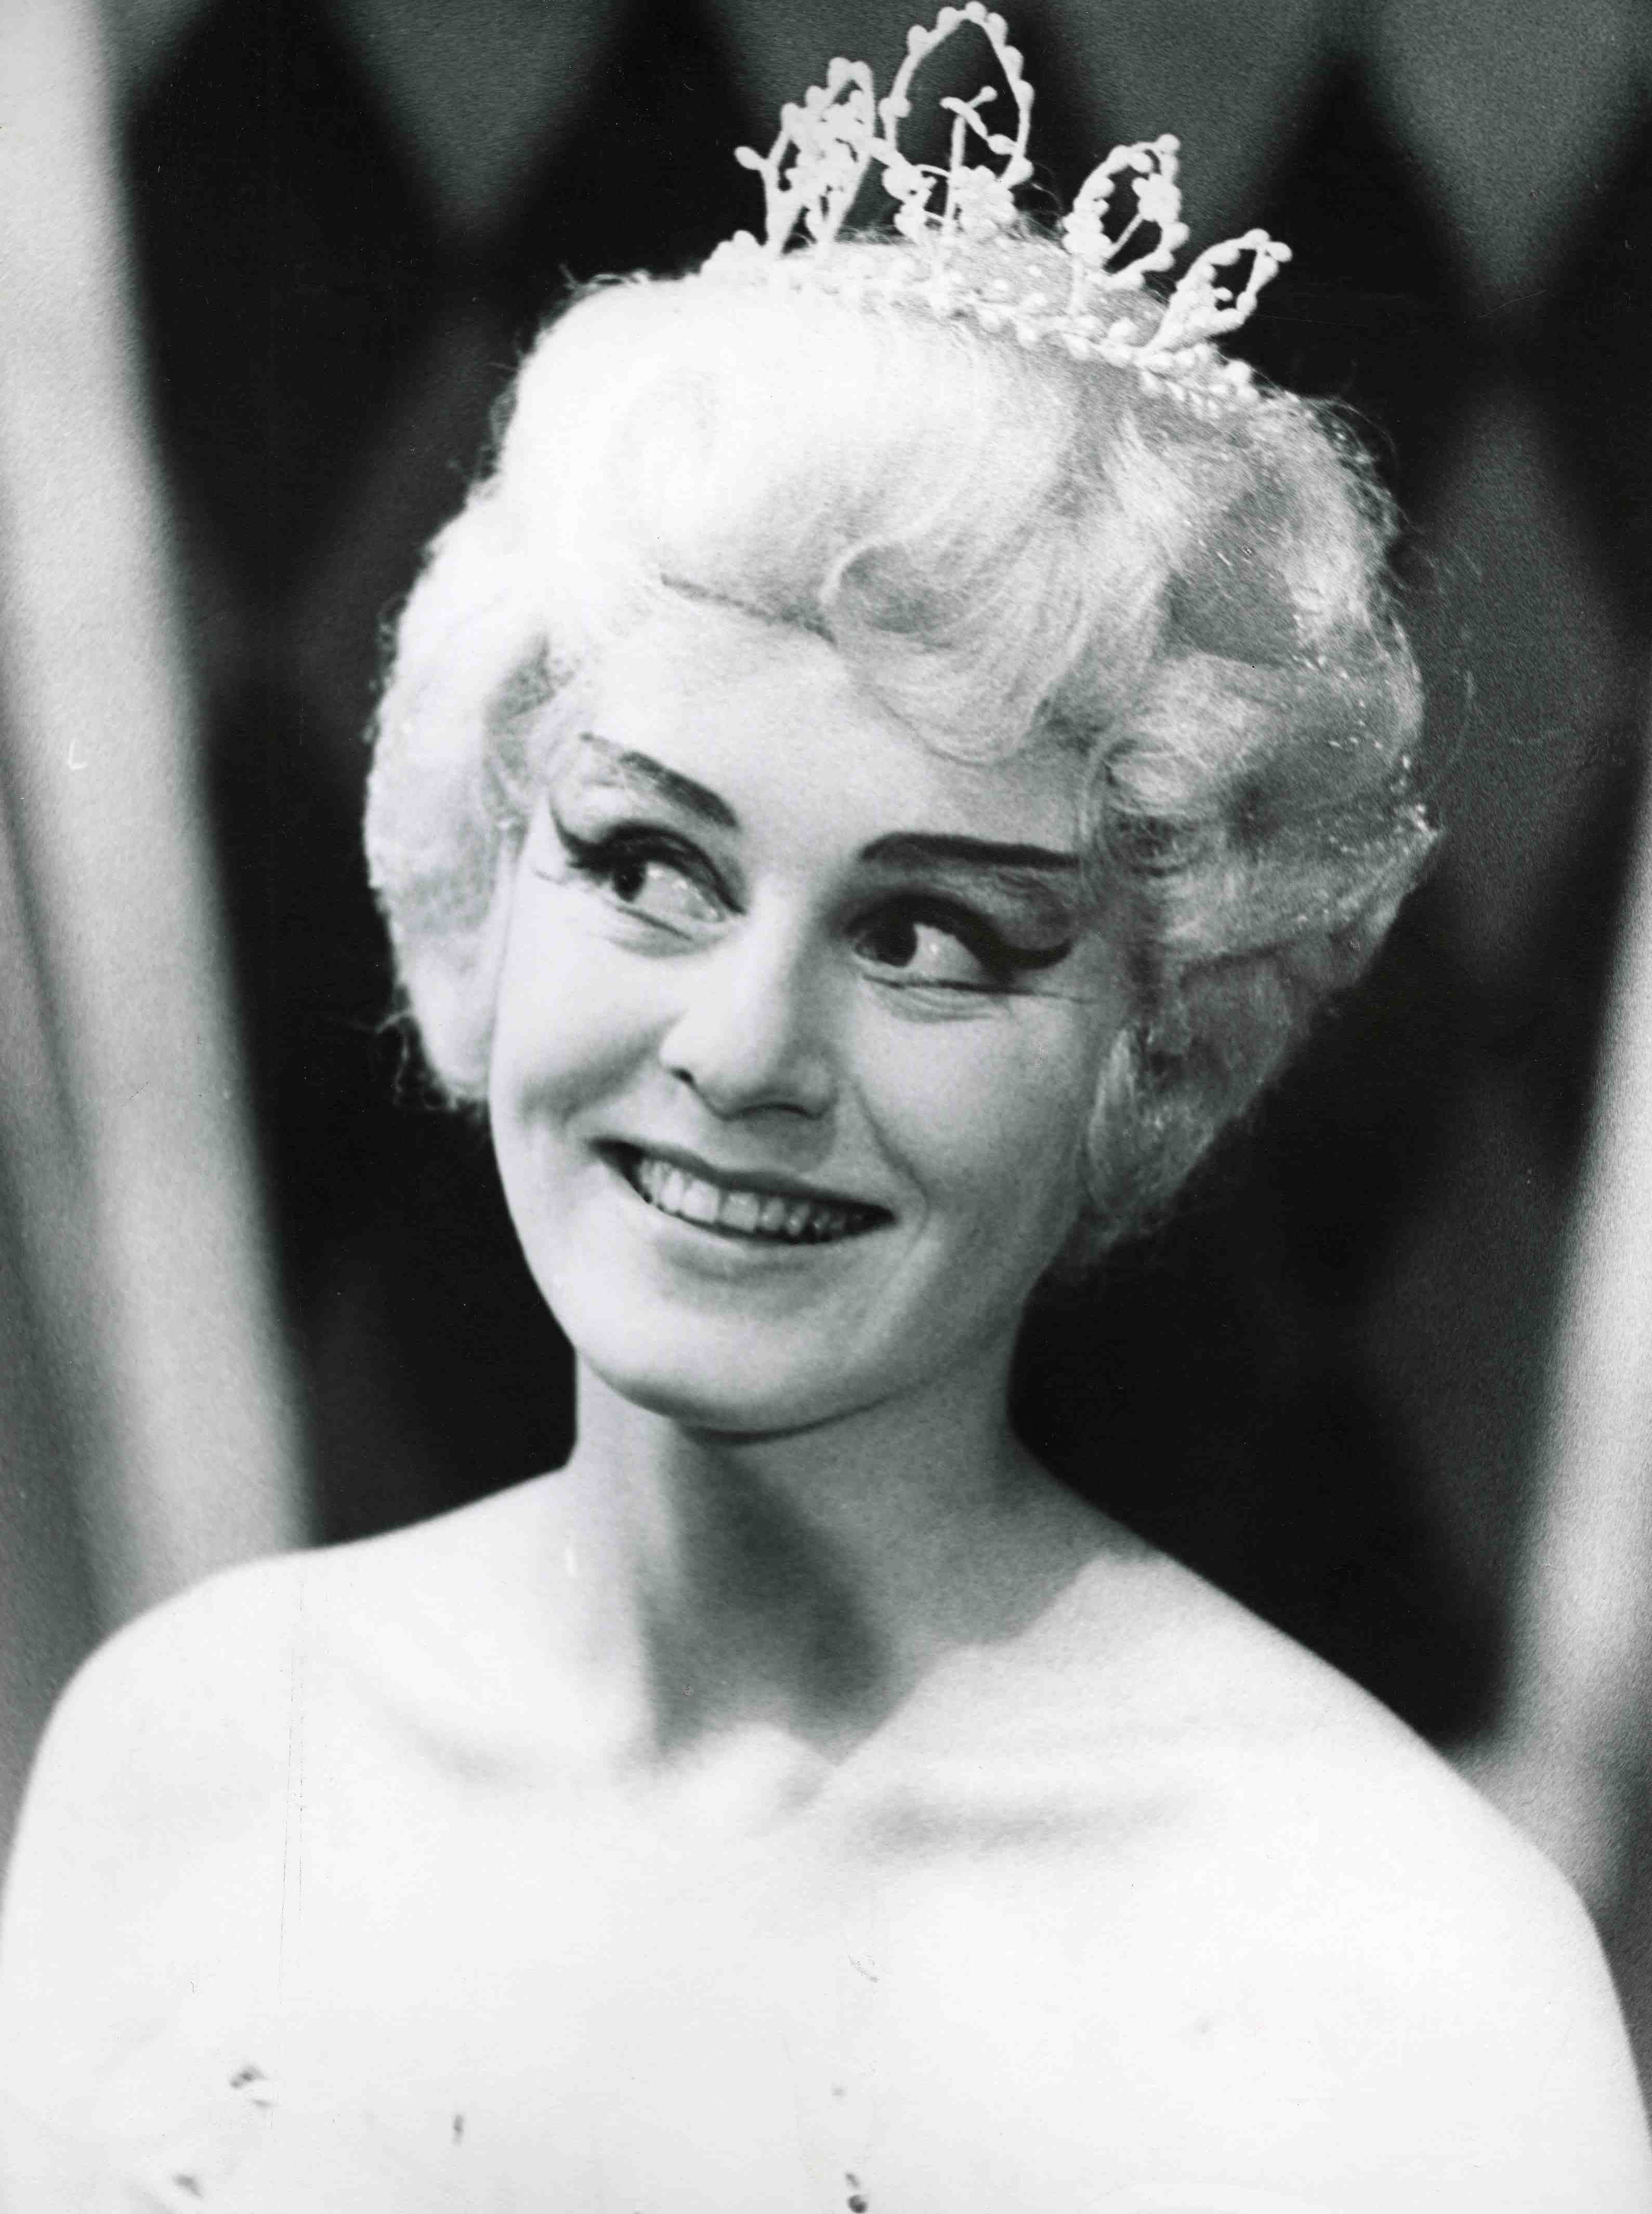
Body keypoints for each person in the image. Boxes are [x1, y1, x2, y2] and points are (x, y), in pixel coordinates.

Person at [1, 10, 1647, 2208]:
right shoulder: (191, 1756)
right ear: (488, 880)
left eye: (931, 935)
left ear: (1153, 1045)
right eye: (647, 864)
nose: (743, 1049)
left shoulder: (1394, 1968)